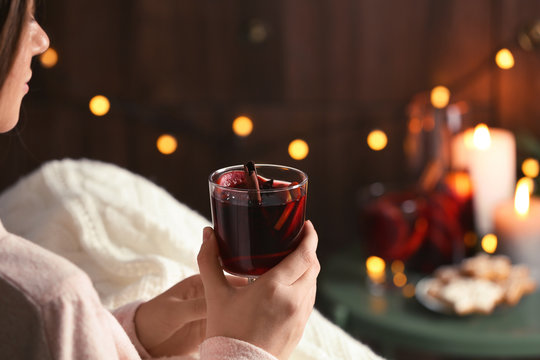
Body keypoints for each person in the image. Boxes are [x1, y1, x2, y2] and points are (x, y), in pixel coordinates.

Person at [0, 1, 321, 359]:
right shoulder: (51, 301)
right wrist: (249, 350)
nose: (42, 39)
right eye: (21, 16)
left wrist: (132, 335)